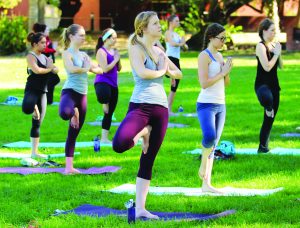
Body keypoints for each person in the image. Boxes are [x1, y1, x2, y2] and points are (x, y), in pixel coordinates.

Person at [112, 11, 182, 219]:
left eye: (159, 23)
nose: (160, 27)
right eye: (155, 24)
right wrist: (162, 71)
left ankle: (141, 208)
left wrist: (167, 67)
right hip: (141, 106)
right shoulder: (136, 47)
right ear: (143, 28)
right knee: (120, 143)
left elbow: (178, 73)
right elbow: (143, 73)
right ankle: (144, 131)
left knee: (148, 159)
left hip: (161, 109)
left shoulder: (159, 50)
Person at [59, 24, 103, 174]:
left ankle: (69, 168)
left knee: (74, 133)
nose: (84, 38)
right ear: (71, 37)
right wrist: (86, 68)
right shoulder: (67, 53)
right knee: (65, 113)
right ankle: (74, 113)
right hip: (70, 92)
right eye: (81, 35)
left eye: (85, 35)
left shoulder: (84, 56)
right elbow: (72, 69)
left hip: (82, 96)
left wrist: (92, 67)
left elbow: (99, 69)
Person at [197, 23, 233, 193]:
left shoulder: (219, 56)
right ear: (211, 37)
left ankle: (207, 184)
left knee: (214, 143)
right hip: (206, 104)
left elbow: (226, 83)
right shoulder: (204, 56)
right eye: (221, 38)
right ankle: (203, 165)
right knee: (209, 136)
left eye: (225, 38)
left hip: (221, 104)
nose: (224, 42)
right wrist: (222, 72)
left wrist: (227, 70)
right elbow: (204, 83)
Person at [22, 32, 59, 158]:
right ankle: (33, 107)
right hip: (32, 89)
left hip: (43, 92)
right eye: (42, 43)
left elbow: (56, 70)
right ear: (34, 44)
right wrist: (50, 68)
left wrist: (51, 66)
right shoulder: (31, 56)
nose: (45, 45)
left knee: (37, 123)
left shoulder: (45, 57)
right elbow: (37, 71)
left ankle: (34, 153)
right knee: (27, 109)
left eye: (46, 42)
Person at [255, 18, 282, 153]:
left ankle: (263, 147)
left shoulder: (273, 46)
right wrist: (276, 54)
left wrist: (277, 52)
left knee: (269, 119)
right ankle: (268, 106)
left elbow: (279, 66)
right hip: (262, 85)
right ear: (264, 31)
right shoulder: (260, 46)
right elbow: (267, 67)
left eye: (275, 31)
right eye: (272, 30)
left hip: (274, 85)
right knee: (268, 99)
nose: (274, 33)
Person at [94, 28, 121, 143]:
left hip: (113, 83)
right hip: (103, 81)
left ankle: (104, 138)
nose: (115, 40)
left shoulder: (114, 51)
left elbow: (118, 68)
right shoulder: (101, 51)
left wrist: (118, 60)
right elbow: (105, 69)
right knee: (104, 97)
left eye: (116, 38)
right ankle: (104, 102)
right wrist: (115, 60)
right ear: (107, 39)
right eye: (113, 38)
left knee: (109, 113)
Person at [164, 15, 187, 115]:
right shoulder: (168, 33)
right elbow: (173, 44)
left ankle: (169, 108)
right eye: (176, 21)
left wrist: (184, 42)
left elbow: (185, 47)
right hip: (170, 59)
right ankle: (168, 109)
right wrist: (182, 42)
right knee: (174, 85)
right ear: (171, 22)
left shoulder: (177, 34)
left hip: (176, 60)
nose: (178, 23)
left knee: (175, 85)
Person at [33, 23, 60, 105]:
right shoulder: (40, 42)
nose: (48, 31)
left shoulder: (48, 40)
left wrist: (54, 50)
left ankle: (48, 100)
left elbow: (52, 52)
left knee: (52, 80)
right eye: (47, 30)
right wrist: (53, 50)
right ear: (42, 32)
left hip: (48, 64)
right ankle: (43, 98)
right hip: (43, 65)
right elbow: (43, 52)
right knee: (53, 80)